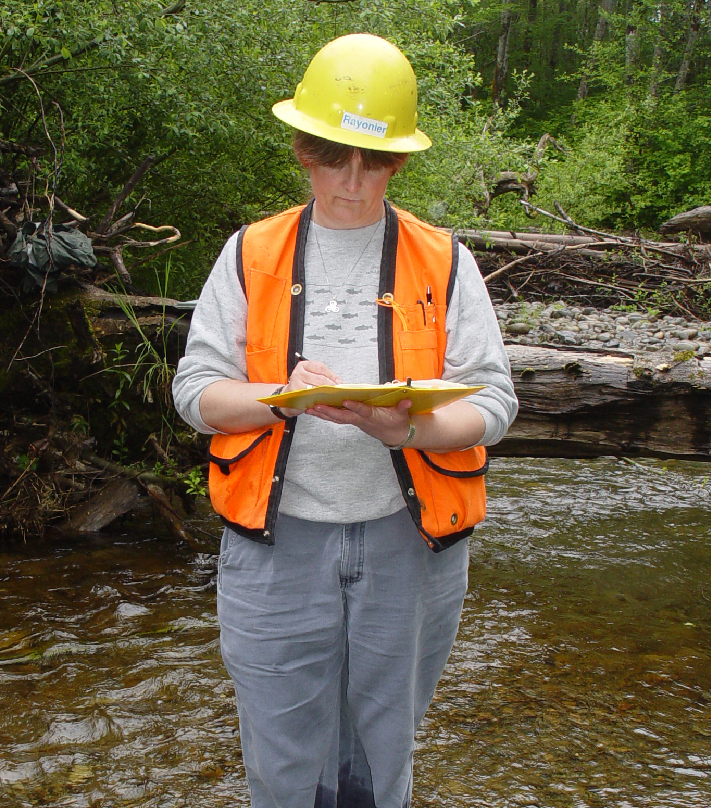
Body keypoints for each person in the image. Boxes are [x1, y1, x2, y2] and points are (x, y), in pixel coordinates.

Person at [172, 33, 518, 808]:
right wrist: (276, 398)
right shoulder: (248, 252)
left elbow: (494, 401)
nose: (353, 182)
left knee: (380, 758)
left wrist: (409, 431)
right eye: (334, 156)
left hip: (409, 546)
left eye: (375, 161)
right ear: (302, 150)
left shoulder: (446, 261)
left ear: (400, 162)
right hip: (274, 548)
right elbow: (194, 391)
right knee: (283, 765)